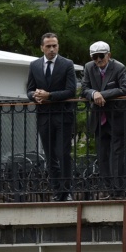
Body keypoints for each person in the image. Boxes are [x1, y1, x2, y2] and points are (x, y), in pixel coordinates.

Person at [27, 31, 78, 201]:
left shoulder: (67, 64)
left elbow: (71, 90)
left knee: (63, 154)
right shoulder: (34, 65)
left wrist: (49, 95)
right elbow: (29, 89)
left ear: (58, 46)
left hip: (63, 115)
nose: (51, 49)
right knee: (50, 156)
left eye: (54, 46)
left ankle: (67, 191)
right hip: (44, 116)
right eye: (48, 46)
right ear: (42, 48)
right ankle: (57, 191)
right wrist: (35, 95)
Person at [81, 40, 126, 198]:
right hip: (99, 119)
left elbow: (124, 88)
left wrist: (103, 95)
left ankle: (118, 190)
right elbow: (84, 88)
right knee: (102, 155)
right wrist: (93, 94)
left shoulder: (119, 67)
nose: (97, 60)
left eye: (100, 56)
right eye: (94, 57)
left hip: (117, 118)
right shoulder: (89, 67)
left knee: (117, 155)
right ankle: (108, 189)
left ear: (109, 55)